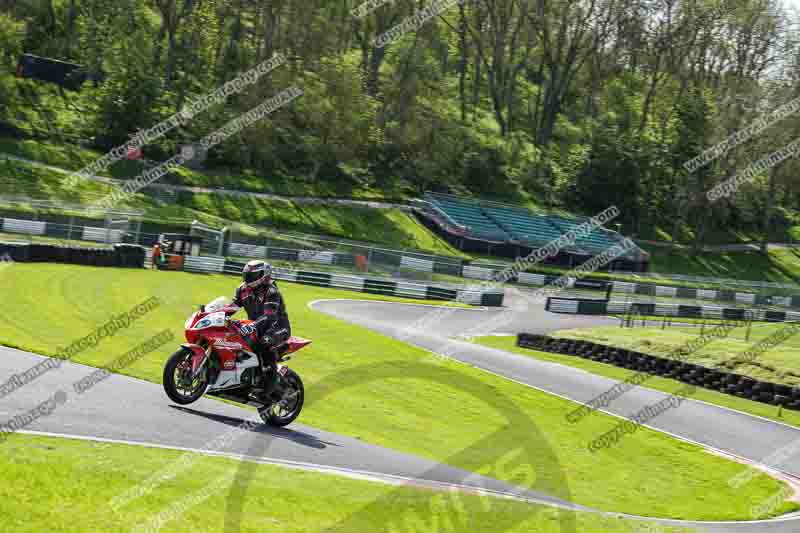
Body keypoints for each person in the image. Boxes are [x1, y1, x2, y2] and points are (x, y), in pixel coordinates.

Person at [229, 260, 291, 400]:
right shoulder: (243, 290)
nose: (248, 279)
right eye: (246, 275)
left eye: (252, 276)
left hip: (277, 328)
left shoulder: (272, 292)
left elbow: (269, 317)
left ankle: (270, 387)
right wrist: (216, 313)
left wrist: (251, 326)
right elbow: (232, 306)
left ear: (264, 276)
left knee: (263, 345)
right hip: (256, 326)